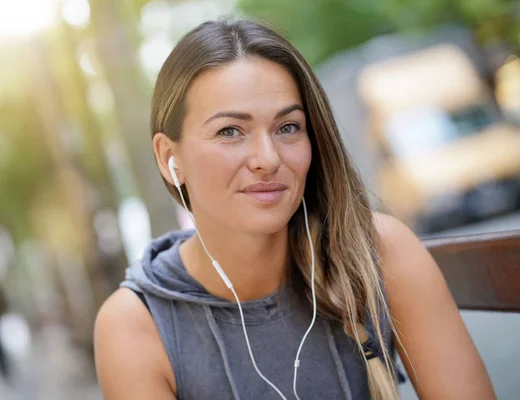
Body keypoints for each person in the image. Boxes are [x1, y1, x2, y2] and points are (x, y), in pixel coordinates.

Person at [94, 19, 495, 399]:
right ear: (169, 159)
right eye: (230, 131)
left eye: (288, 127)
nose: (267, 159)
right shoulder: (135, 327)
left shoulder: (380, 252)